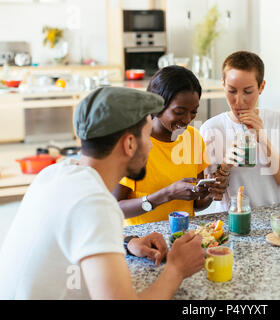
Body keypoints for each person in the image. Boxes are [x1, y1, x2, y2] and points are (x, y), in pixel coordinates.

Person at [0, 87, 205, 299]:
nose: (151, 147)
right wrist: (176, 269)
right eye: (147, 137)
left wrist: (127, 241)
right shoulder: (95, 203)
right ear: (129, 144)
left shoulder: (54, 174)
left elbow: (79, 230)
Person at [114, 66, 227, 225]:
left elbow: (196, 204)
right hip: (143, 242)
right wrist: (167, 194)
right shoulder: (133, 144)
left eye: (193, 112)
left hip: (184, 237)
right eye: (179, 112)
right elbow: (114, 208)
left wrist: (209, 194)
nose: (187, 119)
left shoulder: (193, 138)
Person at [200, 51, 280, 211]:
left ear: (261, 87)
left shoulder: (279, 120)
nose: (239, 101)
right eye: (232, 91)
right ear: (223, 85)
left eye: (247, 91)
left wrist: (263, 139)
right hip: (233, 220)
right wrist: (225, 166)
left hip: (276, 219)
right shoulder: (210, 129)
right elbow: (214, 196)